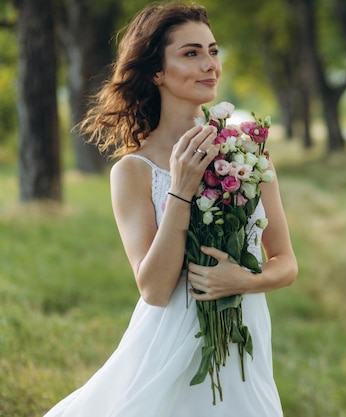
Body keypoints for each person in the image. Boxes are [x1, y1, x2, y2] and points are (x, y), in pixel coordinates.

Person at [43, 3, 297, 416]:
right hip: (167, 345)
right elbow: (154, 289)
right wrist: (180, 190)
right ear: (157, 71)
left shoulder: (248, 153)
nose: (210, 64)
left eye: (213, 51)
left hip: (242, 341)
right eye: (191, 53)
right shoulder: (132, 171)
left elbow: (286, 263)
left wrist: (241, 281)